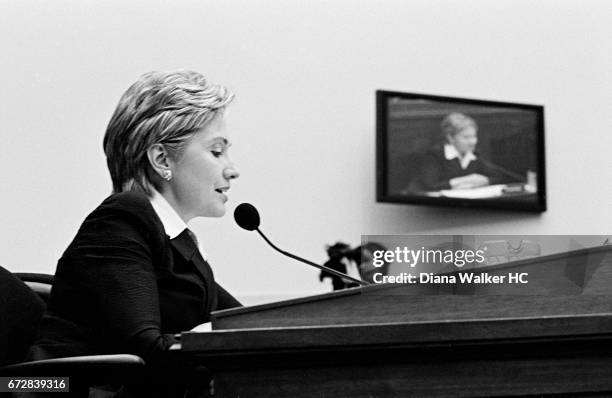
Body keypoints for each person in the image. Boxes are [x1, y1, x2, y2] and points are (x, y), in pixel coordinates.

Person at [26, 70, 242, 397]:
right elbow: (145, 351)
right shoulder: (122, 221)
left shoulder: (176, 239)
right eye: (216, 151)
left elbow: (247, 324)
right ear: (160, 158)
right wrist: (215, 338)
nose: (232, 169)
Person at [418, 112, 502, 191]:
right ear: (450, 137)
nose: (472, 142)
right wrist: (463, 180)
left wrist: (485, 181)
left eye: (474, 136)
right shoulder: (435, 155)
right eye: (466, 137)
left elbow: (498, 177)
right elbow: (429, 185)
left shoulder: (475, 155)